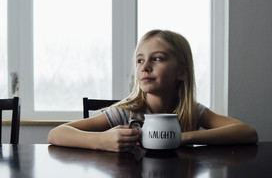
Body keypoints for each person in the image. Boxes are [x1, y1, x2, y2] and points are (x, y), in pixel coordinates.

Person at [48, 29, 258, 152]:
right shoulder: (125, 113)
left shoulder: (192, 112)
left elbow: (248, 132)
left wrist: (186, 137)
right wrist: (101, 140)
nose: (145, 66)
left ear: (181, 73)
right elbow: (56, 134)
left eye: (157, 58)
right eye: (140, 60)